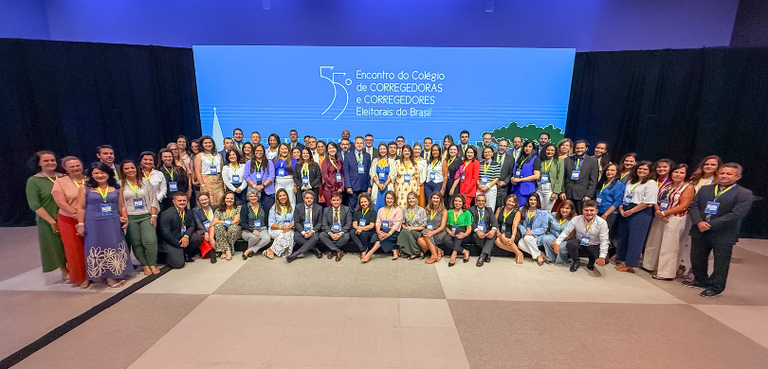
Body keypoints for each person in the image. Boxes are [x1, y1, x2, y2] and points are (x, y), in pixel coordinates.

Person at [686, 163, 752, 297]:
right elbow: (693, 205)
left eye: (729, 174)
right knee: (697, 258)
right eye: (722, 173)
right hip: (700, 229)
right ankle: (700, 280)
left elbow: (737, 214)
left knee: (720, 262)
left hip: (723, 233)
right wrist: (699, 221)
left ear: (737, 177)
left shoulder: (744, 193)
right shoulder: (705, 189)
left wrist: (711, 224)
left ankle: (716, 286)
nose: (724, 176)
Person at [76, 162, 132, 286]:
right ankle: (102, 276)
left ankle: (114, 274)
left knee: (113, 246)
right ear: (91, 174)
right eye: (96, 173)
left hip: (112, 221)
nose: (100, 175)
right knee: (96, 247)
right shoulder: (84, 188)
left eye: (102, 172)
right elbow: (80, 208)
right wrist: (80, 224)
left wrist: (124, 217)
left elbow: (121, 205)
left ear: (108, 173)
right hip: (93, 223)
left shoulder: (116, 187)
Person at [643, 164, 695, 280]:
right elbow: (655, 199)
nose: (678, 174)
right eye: (676, 172)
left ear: (686, 175)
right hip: (659, 216)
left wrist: (665, 213)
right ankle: (649, 265)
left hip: (674, 218)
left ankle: (665, 273)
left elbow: (683, 206)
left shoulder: (688, 187)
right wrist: (658, 211)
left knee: (669, 245)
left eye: (681, 173)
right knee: (654, 241)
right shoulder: (668, 185)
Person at [678, 155, 722, 280]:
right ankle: (682, 266)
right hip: (688, 213)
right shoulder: (695, 179)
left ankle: (694, 270)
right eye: (706, 164)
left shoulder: (717, 182)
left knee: (697, 244)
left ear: (718, 167)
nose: (708, 167)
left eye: (712, 165)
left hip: (703, 216)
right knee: (684, 240)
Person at [26, 151, 68, 283]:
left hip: (67, 217)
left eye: (52, 160)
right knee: (56, 246)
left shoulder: (64, 177)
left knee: (70, 245)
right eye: (46, 161)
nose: (50, 163)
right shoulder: (34, 181)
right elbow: (34, 204)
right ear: (39, 163)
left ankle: (76, 268)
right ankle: (65, 271)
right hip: (49, 220)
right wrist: (51, 221)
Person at [51, 156, 88, 288]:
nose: (76, 168)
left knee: (91, 247)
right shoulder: (60, 182)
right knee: (75, 249)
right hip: (69, 219)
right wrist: (76, 214)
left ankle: (97, 273)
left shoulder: (89, 179)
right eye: (71, 166)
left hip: (90, 218)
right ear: (66, 168)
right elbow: (61, 203)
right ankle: (82, 277)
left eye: (78, 165)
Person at [615, 161, 657, 273]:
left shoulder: (651, 183)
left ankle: (630, 263)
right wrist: (621, 208)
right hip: (626, 207)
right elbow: (624, 196)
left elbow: (648, 202)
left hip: (641, 211)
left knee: (635, 238)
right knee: (624, 236)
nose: (642, 171)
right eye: (640, 168)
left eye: (645, 169)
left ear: (650, 171)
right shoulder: (631, 181)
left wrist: (632, 211)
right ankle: (622, 259)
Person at [119, 160, 160, 276]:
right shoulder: (120, 184)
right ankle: (145, 265)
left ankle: (152, 263)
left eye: (132, 167)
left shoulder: (145, 182)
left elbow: (153, 199)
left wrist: (153, 215)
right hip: (130, 217)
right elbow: (120, 204)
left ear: (136, 168)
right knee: (136, 242)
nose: (130, 170)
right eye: (126, 168)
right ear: (122, 170)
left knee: (150, 240)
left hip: (146, 215)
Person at [554, 200, 610, 273]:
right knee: (570, 243)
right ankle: (576, 261)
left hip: (595, 245)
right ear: (582, 211)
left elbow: (604, 240)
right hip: (580, 243)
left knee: (605, 260)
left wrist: (602, 256)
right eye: (586, 210)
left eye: (591, 210)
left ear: (596, 211)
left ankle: (591, 262)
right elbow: (566, 231)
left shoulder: (602, 223)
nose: (589, 212)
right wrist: (557, 243)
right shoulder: (576, 219)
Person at [158, 192, 203, 269]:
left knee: (198, 238)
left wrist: (186, 236)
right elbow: (166, 233)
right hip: (171, 241)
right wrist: (178, 243)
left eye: (184, 200)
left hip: (182, 236)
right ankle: (166, 256)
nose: (182, 202)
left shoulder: (188, 211)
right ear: (174, 201)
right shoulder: (166, 214)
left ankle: (186, 253)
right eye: (179, 200)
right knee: (178, 264)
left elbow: (192, 225)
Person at [362, 191, 403, 262]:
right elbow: (377, 222)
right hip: (382, 230)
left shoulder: (398, 210)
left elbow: (396, 225)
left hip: (394, 231)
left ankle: (369, 254)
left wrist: (388, 234)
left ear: (394, 200)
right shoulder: (381, 210)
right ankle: (394, 249)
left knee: (382, 239)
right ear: (385, 199)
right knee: (374, 237)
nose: (389, 200)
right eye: (387, 198)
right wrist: (378, 232)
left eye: (391, 198)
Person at [560, 140, 598, 213]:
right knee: (567, 214)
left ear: (586, 148)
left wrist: (588, 195)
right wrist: (562, 191)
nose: (579, 150)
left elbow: (593, 180)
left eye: (581, 148)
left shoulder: (592, 161)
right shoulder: (567, 159)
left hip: (582, 195)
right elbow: (563, 177)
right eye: (577, 148)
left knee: (580, 215)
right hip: (568, 193)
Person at [286, 191, 324, 262]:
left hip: (313, 231)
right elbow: (297, 222)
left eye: (311, 198)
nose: (309, 200)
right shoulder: (298, 207)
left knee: (315, 237)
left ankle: (296, 254)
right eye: (307, 198)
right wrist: (303, 232)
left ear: (313, 199)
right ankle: (315, 249)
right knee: (296, 237)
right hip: (302, 230)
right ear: (304, 199)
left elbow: (319, 223)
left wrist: (312, 231)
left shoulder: (319, 208)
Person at [540, 200, 576, 264]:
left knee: (562, 246)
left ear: (571, 210)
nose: (564, 210)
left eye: (567, 208)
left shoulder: (574, 219)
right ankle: (550, 258)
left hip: (565, 239)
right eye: (562, 207)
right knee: (545, 238)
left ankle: (562, 261)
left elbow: (571, 234)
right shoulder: (554, 215)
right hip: (552, 236)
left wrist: (558, 240)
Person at [319, 193, 352, 261]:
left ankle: (332, 250)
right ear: (331, 201)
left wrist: (339, 234)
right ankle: (338, 251)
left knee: (347, 236)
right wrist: (331, 234)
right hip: (330, 232)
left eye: (337, 200)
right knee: (322, 235)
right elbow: (324, 224)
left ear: (341, 201)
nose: (336, 202)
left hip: (341, 232)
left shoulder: (346, 209)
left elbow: (348, 224)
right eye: (334, 200)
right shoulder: (326, 210)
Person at [517, 193, 548, 265]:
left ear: (538, 201)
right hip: (525, 234)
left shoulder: (543, 213)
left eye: (535, 200)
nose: (533, 201)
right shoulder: (522, 209)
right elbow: (518, 224)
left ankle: (538, 257)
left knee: (527, 238)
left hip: (537, 236)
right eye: (531, 199)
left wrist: (532, 232)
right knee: (520, 244)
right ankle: (539, 254)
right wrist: (524, 231)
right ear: (528, 201)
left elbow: (544, 228)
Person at [442, 194, 472, 266]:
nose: (457, 203)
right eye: (455, 201)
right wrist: (449, 232)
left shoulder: (467, 213)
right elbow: (446, 226)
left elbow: (469, 228)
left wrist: (464, 234)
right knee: (445, 240)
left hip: (463, 235)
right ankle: (464, 251)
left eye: (459, 201)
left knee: (459, 230)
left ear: (462, 203)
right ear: (453, 202)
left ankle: (454, 254)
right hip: (452, 233)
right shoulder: (449, 212)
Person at [240, 188, 271, 259]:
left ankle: (249, 250)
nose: (253, 198)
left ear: (258, 197)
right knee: (255, 237)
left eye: (255, 196)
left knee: (267, 238)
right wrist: (252, 230)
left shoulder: (263, 206)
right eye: (251, 196)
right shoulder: (245, 207)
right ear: (248, 197)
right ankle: (252, 250)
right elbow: (243, 223)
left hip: (262, 228)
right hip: (248, 230)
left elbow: (266, 218)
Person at [344, 136, 373, 210]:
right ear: (354, 144)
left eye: (361, 143)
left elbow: (370, 172)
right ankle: (353, 221)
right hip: (352, 186)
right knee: (352, 208)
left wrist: (369, 186)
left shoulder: (367, 156)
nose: (359, 145)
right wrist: (348, 186)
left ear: (363, 144)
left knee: (364, 207)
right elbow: (346, 172)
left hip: (364, 186)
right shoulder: (348, 155)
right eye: (357, 143)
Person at [397, 191, 428, 259]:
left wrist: (412, 228)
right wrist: (406, 228)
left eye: (413, 198)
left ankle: (413, 252)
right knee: (404, 231)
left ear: (416, 199)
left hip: (418, 230)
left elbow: (423, 226)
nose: (411, 200)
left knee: (406, 233)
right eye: (409, 198)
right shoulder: (405, 209)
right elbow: (403, 223)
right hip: (408, 229)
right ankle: (417, 252)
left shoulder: (421, 210)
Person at [245, 144, 276, 211]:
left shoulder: (269, 162)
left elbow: (271, 176)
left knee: (267, 211)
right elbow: (246, 176)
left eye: (261, 150)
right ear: (253, 151)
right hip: (253, 191)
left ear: (264, 152)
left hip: (267, 191)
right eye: (256, 150)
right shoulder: (249, 162)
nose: (259, 152)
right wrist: (254, 186)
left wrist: (263, 185)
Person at [212, 191, 242, 261]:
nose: (229, 200)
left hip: (236, 229)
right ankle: (227, 250)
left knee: (233, 227)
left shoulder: (238, 208)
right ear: (224, 199)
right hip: (223, 229)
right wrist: (218, 222)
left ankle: (224, 250)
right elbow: (214, 222)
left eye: (231, 199)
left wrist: (219, 221)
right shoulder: (218, 209)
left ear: (234, 200)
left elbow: (235, 221)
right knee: (218, 226)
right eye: (227, 198)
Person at [418, 192, 447, 264]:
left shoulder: (444, 211)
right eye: (434, 198)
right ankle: (437, 250)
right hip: (428, 232)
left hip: (439, 233)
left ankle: (433, 255)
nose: (435, 200)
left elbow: (442, 226)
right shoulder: (427, 209)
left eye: (437, 198)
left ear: (440, 199)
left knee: (426, 234)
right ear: (431, 199)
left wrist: (432, 233)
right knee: (420, 240)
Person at [470, 194, 498, 267]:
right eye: (479, 200)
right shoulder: (471, 210)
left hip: (486, 230)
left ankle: (482, 256)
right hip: (476, 231)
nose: (481, 202)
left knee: (493, 234)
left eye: (483, 201)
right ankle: (487, 253)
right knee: (476, 236)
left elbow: (494, 222)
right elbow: (471, 223)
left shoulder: (489, 210)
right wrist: (478, 231)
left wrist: (493, 230)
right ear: (476, 202)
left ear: (485, 202)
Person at [511, 140, 541, 208]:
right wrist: (512, 178)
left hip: (526, 189)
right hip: (516, 188)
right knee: (515, 208)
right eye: (526, 146)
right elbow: (514, 172)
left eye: (530, 146)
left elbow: (537, 176)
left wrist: (520, 180)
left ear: (533, 148)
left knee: (523, 209)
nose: (527, 148)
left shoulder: (535, 159)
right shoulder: (520, 158)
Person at [195, 135, 224, 204]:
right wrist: (203, 185)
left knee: (221, 201)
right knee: (209, 202)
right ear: (202, 144)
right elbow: (197, 172)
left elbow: (222, 169)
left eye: (209, 142)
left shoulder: (218, 155)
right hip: (207, 181)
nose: (208, 144)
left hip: (218, 181)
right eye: (205, 143)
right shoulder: (199, 156)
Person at [494, 194, 523, 264]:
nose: (510, 203)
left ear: (515, 203)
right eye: (509, 201)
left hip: (512, 232)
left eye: (513, 202)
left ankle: (519, 254)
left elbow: (514, 226)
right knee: (497, 241)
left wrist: (512, 237)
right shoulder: (500, 209)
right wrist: (497, 232)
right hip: (500, 231)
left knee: (503, 236)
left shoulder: (517, 212)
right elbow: (495, 222)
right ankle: (518, 252)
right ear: (506, 200)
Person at [596, 163, 625, 230]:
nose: (609, 172)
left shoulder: (618, 184)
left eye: (612, 170)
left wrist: (606, 214)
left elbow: (617, 202)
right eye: (608, 170)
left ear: (616, 172)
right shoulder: (603, 182)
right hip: (598, 211)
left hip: (609, 214)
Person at [267, 188, 295, 258]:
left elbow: (295, 220)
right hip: (276, 229)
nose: (282, 197)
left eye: (284, 195)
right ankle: (273, 250)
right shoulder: (273, 208)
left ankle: (273, 250)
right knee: (286, 234)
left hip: (289, 228)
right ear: (277, 198)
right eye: (280, 196)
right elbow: (271, 224)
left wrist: (289, 227)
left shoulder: (293, 206)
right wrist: (281, 227)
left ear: (287, 196)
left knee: (289, 234)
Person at [190, 192, 217, 263]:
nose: (204, 201)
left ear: (209, 199)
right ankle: (211, 252)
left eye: (205, 199)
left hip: (213, 228)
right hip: (202, 228)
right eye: (202, 200)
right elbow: (198, 222)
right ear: (199, 201)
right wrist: (205, 232)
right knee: (203, 236)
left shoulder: (214, 208)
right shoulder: (195, 210)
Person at [536, 143, 563, 212]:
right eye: (548, 150)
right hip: (539, 187)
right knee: (538, 208)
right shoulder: (540, 160)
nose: (550, 152)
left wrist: (556, 192)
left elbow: (560, 177)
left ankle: (546, 223)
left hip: (550, 188)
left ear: (555, 152)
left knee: (547, 210)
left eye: (552, 150)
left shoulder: (559, 161)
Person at [370, 143, 395, 211]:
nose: (382, 151)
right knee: (377, 204)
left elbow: (392, 174)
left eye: (384, 149)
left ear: (386, 150)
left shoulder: (391, 161)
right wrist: (378, 184)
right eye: (381, 149)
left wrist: (385, 185)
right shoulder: (375, 161)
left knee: (388, 204)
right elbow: (373, 174)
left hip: (387, 186)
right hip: (377, 186)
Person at [477, 146, 501, 211]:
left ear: (492, 153)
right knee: (478, 206)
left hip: (490, 187)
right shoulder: (479, 164)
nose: (487, 154)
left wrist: (488, 187)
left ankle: (489, 221)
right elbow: (476, 176)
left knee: (490, 207)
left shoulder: (496, 164)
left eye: (489, 152)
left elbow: (496, 178)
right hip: (480, 187)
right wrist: (479, 185)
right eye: (485, 152)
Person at [320, 141, 345, 207]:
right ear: (327, 150)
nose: (332, 150)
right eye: (330, 148)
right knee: (330, 208)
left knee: (338, 207)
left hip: (338, 189)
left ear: (336, 149)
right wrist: (334, 186)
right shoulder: (325, 162)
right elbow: (325, 176)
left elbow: (341, 174)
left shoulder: (339, 161)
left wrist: (341, 187)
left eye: (333, 148)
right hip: (329, 189)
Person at [273, 143, 296, 209]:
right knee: (278, 199)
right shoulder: (274, 160)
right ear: (279, 150)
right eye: (282, 149)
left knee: (290, 200)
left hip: (289, 182)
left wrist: (295, 185)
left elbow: (296, 174)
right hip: (278, 182)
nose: (284, 150)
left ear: (289, 150)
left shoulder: (293, 160)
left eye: (286, 149)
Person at [494, 139, 515, 210]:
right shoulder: (491, 156)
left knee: (501, 208)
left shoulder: (511, 159)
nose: (502, 147)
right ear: (497, 146)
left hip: (503, 188)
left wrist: (504, 182)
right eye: (500, 145)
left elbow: (510, 173)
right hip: (492, 186)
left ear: (507, 147)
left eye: (504, 146)